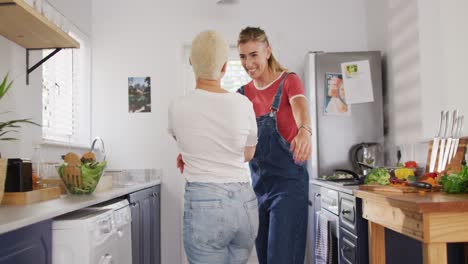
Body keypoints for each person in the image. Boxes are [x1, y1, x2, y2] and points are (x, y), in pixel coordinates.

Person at [168, 30, 259, 264]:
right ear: (225, 67)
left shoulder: (178, 106)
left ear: (191, 63)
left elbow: (185, 143)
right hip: (244, 203)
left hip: (204, 202)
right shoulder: (243, 104)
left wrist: (190, 155)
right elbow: (248, 154)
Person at [237, 26, 311, 264]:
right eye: (242, 56)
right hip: (258, 189)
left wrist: (304, 130)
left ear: (267, 51)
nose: (248, 63)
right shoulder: (242, 95)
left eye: (254, 54)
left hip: (288, 187)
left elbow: (300, 106)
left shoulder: (288, 81)